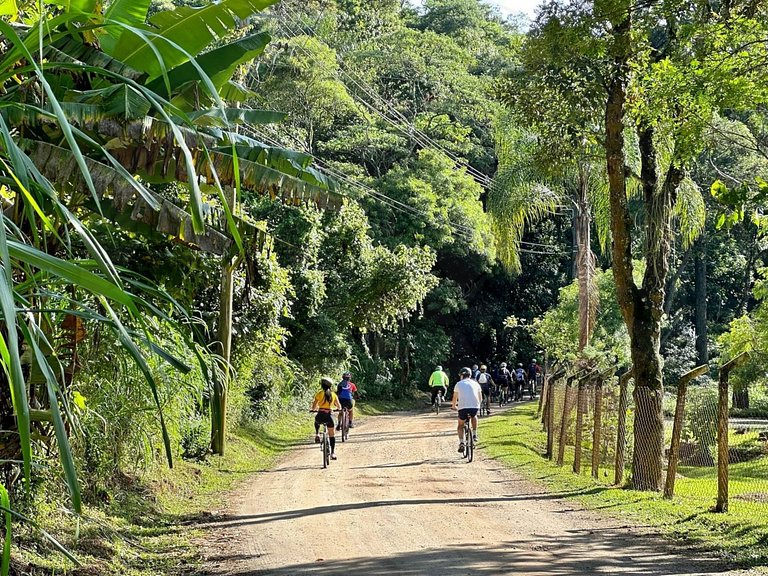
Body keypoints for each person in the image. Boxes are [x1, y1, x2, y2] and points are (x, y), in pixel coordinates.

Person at [451, 367, 482, 453]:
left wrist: (454, 406)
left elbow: (455, 397)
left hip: (463, 408)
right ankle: (475, 434)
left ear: (461, 375)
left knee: (460, 425)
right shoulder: (476, 384)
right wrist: (478, 405)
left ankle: (461, 443)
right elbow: (480, 398)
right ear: (470, 375)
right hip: (474, 407)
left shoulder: (458, 384)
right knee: (474, 416)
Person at [311, 377, 342, 460]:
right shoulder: (334, 395)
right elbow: (339, 406)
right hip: (329, 416)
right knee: (332, 435)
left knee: (316, 420)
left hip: (320, 415)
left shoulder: (319, 394)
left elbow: (314, 406)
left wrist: (314, 409)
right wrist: (337, 409)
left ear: (322, 385)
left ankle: (317, 433)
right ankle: (332, 453)